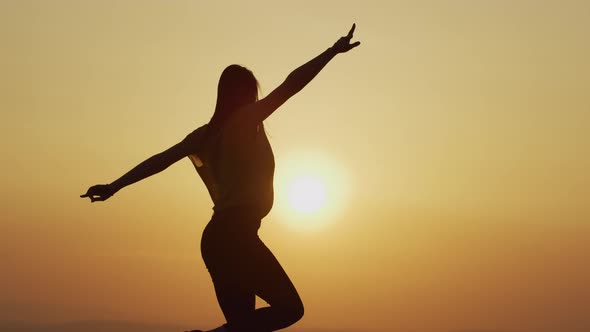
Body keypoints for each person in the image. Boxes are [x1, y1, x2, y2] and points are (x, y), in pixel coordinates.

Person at [81, 24, 360, 332]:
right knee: (290, 309)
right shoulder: (245, 121)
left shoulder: (203, 136)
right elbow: (290, 86)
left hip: (216, 240)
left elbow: (160, 161)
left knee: (242, 326)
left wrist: (114, 186)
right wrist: (331, 52)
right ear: (246, 95)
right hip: (235, 237)